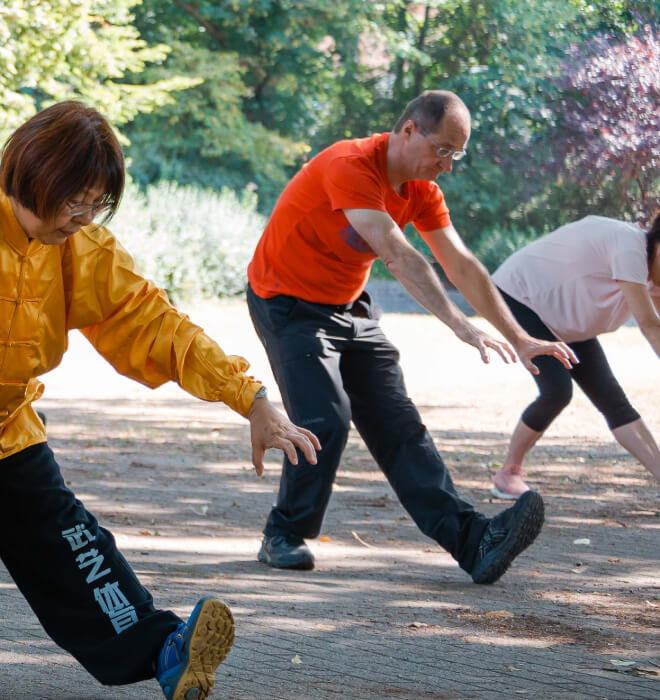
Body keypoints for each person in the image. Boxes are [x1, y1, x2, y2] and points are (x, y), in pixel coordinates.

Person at [0, 100, 320, 697]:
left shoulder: (82, 246)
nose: (81, 217)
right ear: (31, 176)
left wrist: (252, 398)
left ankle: (160, 648)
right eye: (72, 200)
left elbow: (153, 321)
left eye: (94, 203)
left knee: (56, 522)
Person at [245, 90, 576, 583]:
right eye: (442, 149)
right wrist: (459, 325)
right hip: (286, 304)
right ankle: (283, 534)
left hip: (348, 307)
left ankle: (473, 541)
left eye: (455, 154)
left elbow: (461, 264)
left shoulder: (421, 190)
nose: (446, 164)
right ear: (408, 131)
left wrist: (520, 337)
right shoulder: (351, 165)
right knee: (325, 418)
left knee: (399, 424)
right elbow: (399, 256)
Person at [487, 213, 660, 498]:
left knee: (613, 400)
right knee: (556, 390)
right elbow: (651, 326)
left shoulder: (652, 273)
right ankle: (508, 473)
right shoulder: (629, 246)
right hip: (520, 297)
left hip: (564, 319)